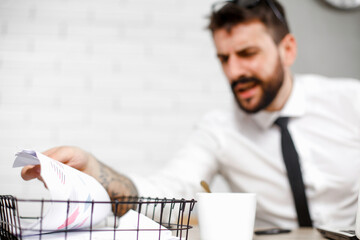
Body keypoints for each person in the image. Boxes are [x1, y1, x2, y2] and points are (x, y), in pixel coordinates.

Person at [21, 0, 360, 229]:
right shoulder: (219, 129)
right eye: (224, 59)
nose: (234, 71)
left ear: (287, 50)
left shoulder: (350, 101)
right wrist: (95, 171)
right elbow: (170, 189)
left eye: (247, 53)